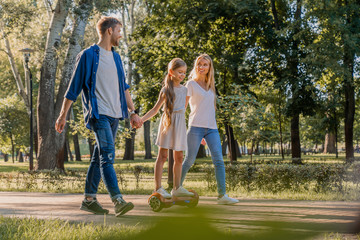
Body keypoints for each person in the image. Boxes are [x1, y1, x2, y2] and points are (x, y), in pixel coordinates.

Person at [55, 16, 142, 216]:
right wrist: (62, 116)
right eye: (119, 30)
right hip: (99, 114)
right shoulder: (88, 55)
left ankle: (89, 199)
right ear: (109, 31)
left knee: (98, 157)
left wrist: (133, 112)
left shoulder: (117, 58)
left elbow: (124, 88)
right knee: (108, 157)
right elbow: (73, 87)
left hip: (114, 115)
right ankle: (118, 200)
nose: (121, 34)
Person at [180, 54, 239, 205]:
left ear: (209, 67)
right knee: (189, 160)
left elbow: (211, 108)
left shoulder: (211, 85)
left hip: (212, 128)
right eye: (199, 64)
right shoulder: (190, 84)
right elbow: (184, 107)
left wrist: (207, 133)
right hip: (195, 127)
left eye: (205, 64)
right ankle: (175, 188)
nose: (202, 67)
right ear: (196, 66)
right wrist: (180, 126)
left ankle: (222, 196)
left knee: (219, 161)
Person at [141, 58, 194, 199]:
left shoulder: (185, 89)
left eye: (184, 73)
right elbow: (154, 110)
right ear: (171, 72)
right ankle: (158, 187)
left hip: (180, 124)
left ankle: (177, 188)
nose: (182, 75)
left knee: (179, 156)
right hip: (167, 123)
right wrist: (141, 120)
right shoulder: (166, 90)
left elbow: (185, 107)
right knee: (162, 156)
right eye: (180, 72)